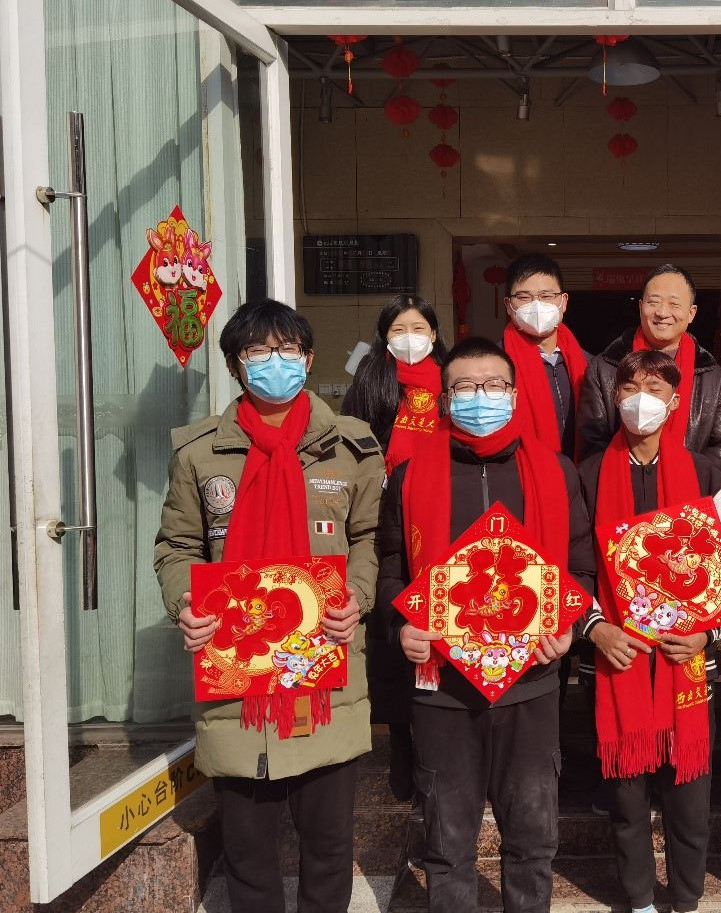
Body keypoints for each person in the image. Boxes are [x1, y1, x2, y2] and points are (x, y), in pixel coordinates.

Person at [154, 299, 383, 913]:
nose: (273, 362)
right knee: (249, 857)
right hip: (237, 679)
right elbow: (177, 546)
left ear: (308, 359)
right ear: (235, 365)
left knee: (329, 849)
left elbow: (368, 538)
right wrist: (184, 602)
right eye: (258, 352)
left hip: (327, 672)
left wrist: (358, 596)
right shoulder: (200, 453)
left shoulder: (351, 446)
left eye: (287, 350)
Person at [376, 337, 597, 913]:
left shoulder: (554, 471)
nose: (481, 397)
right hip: (442, 689)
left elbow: (580, 566)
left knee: (532, 837)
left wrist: (566, 625)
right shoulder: (411, 475)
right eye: (465, 387)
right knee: (447, 841)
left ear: (515, 394)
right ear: (445, 398)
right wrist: (401, 625)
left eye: (493, 385)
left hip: (532, 684)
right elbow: (392, 567)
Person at [576, 350, 721, 913]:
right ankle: (639, 898)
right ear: (614, 397)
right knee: (626, 796)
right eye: (629, 387)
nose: (640, 399)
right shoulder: (587, 476)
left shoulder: (707, 475)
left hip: (685, 658)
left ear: (675, 402)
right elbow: (575, 567)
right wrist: (596, 628)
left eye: (655, 388)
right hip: (615, 657)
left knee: (690, 799)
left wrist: (707, 635)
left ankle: (686, 898)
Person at [341, 293, 446, 801]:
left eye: (418, 328)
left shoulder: (451, 380)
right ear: (385, 336)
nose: (409, 338)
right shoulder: (370, 381)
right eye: (399, 329)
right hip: (384, 515)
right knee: (396, 624)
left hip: (441, 513)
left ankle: (439, 751)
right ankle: (402, 755)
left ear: (434, 334)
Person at [579, 265, 721, 476]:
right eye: (653, 302)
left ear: (691, 313)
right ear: (640, 307)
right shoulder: (604, 368)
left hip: (689, 487)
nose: (662, 313)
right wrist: (642, 481)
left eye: (674, 304)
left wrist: (681, 476)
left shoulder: (715, 379)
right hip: (620, 483)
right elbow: (591, 441)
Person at [501, 253, 590, 459]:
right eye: (524, 297)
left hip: (582, 469)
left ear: (563, 302)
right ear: (508, 305)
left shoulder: (589, 364)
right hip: (523, 469)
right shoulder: (496, 366)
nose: (536, 305)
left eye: (546, 296)